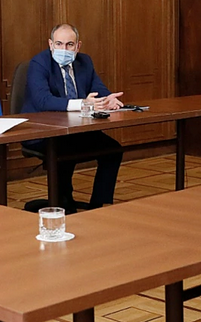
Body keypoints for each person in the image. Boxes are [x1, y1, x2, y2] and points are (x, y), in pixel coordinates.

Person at [21, 24, 124, 212]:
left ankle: (98, 206)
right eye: (59, 44)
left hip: (76, 129)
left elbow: (98, 89)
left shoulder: (85, 62)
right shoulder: (40, 63)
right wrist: (83, 104)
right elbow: (44, 101)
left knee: (113, 151)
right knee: (64, 153)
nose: (64, 49)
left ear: (78, 46)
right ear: (50, 44)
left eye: (69, 44)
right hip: (43, 132)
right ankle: (63, 204)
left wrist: (108, 99)